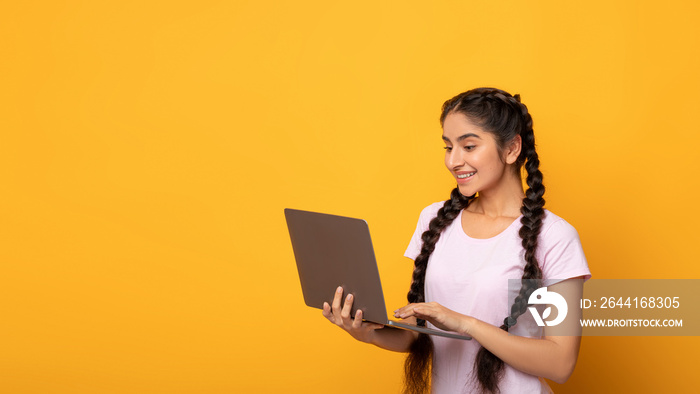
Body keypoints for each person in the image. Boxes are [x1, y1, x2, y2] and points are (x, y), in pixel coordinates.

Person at [322, 87, 592, 394]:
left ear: (512, 149)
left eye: (469, 146)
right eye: (448, 147)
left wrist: (467, 324)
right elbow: (418, 336)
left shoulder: (556, 237)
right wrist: (366, 332)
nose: (454, 161)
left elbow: (561, 363)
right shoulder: (434, 220)